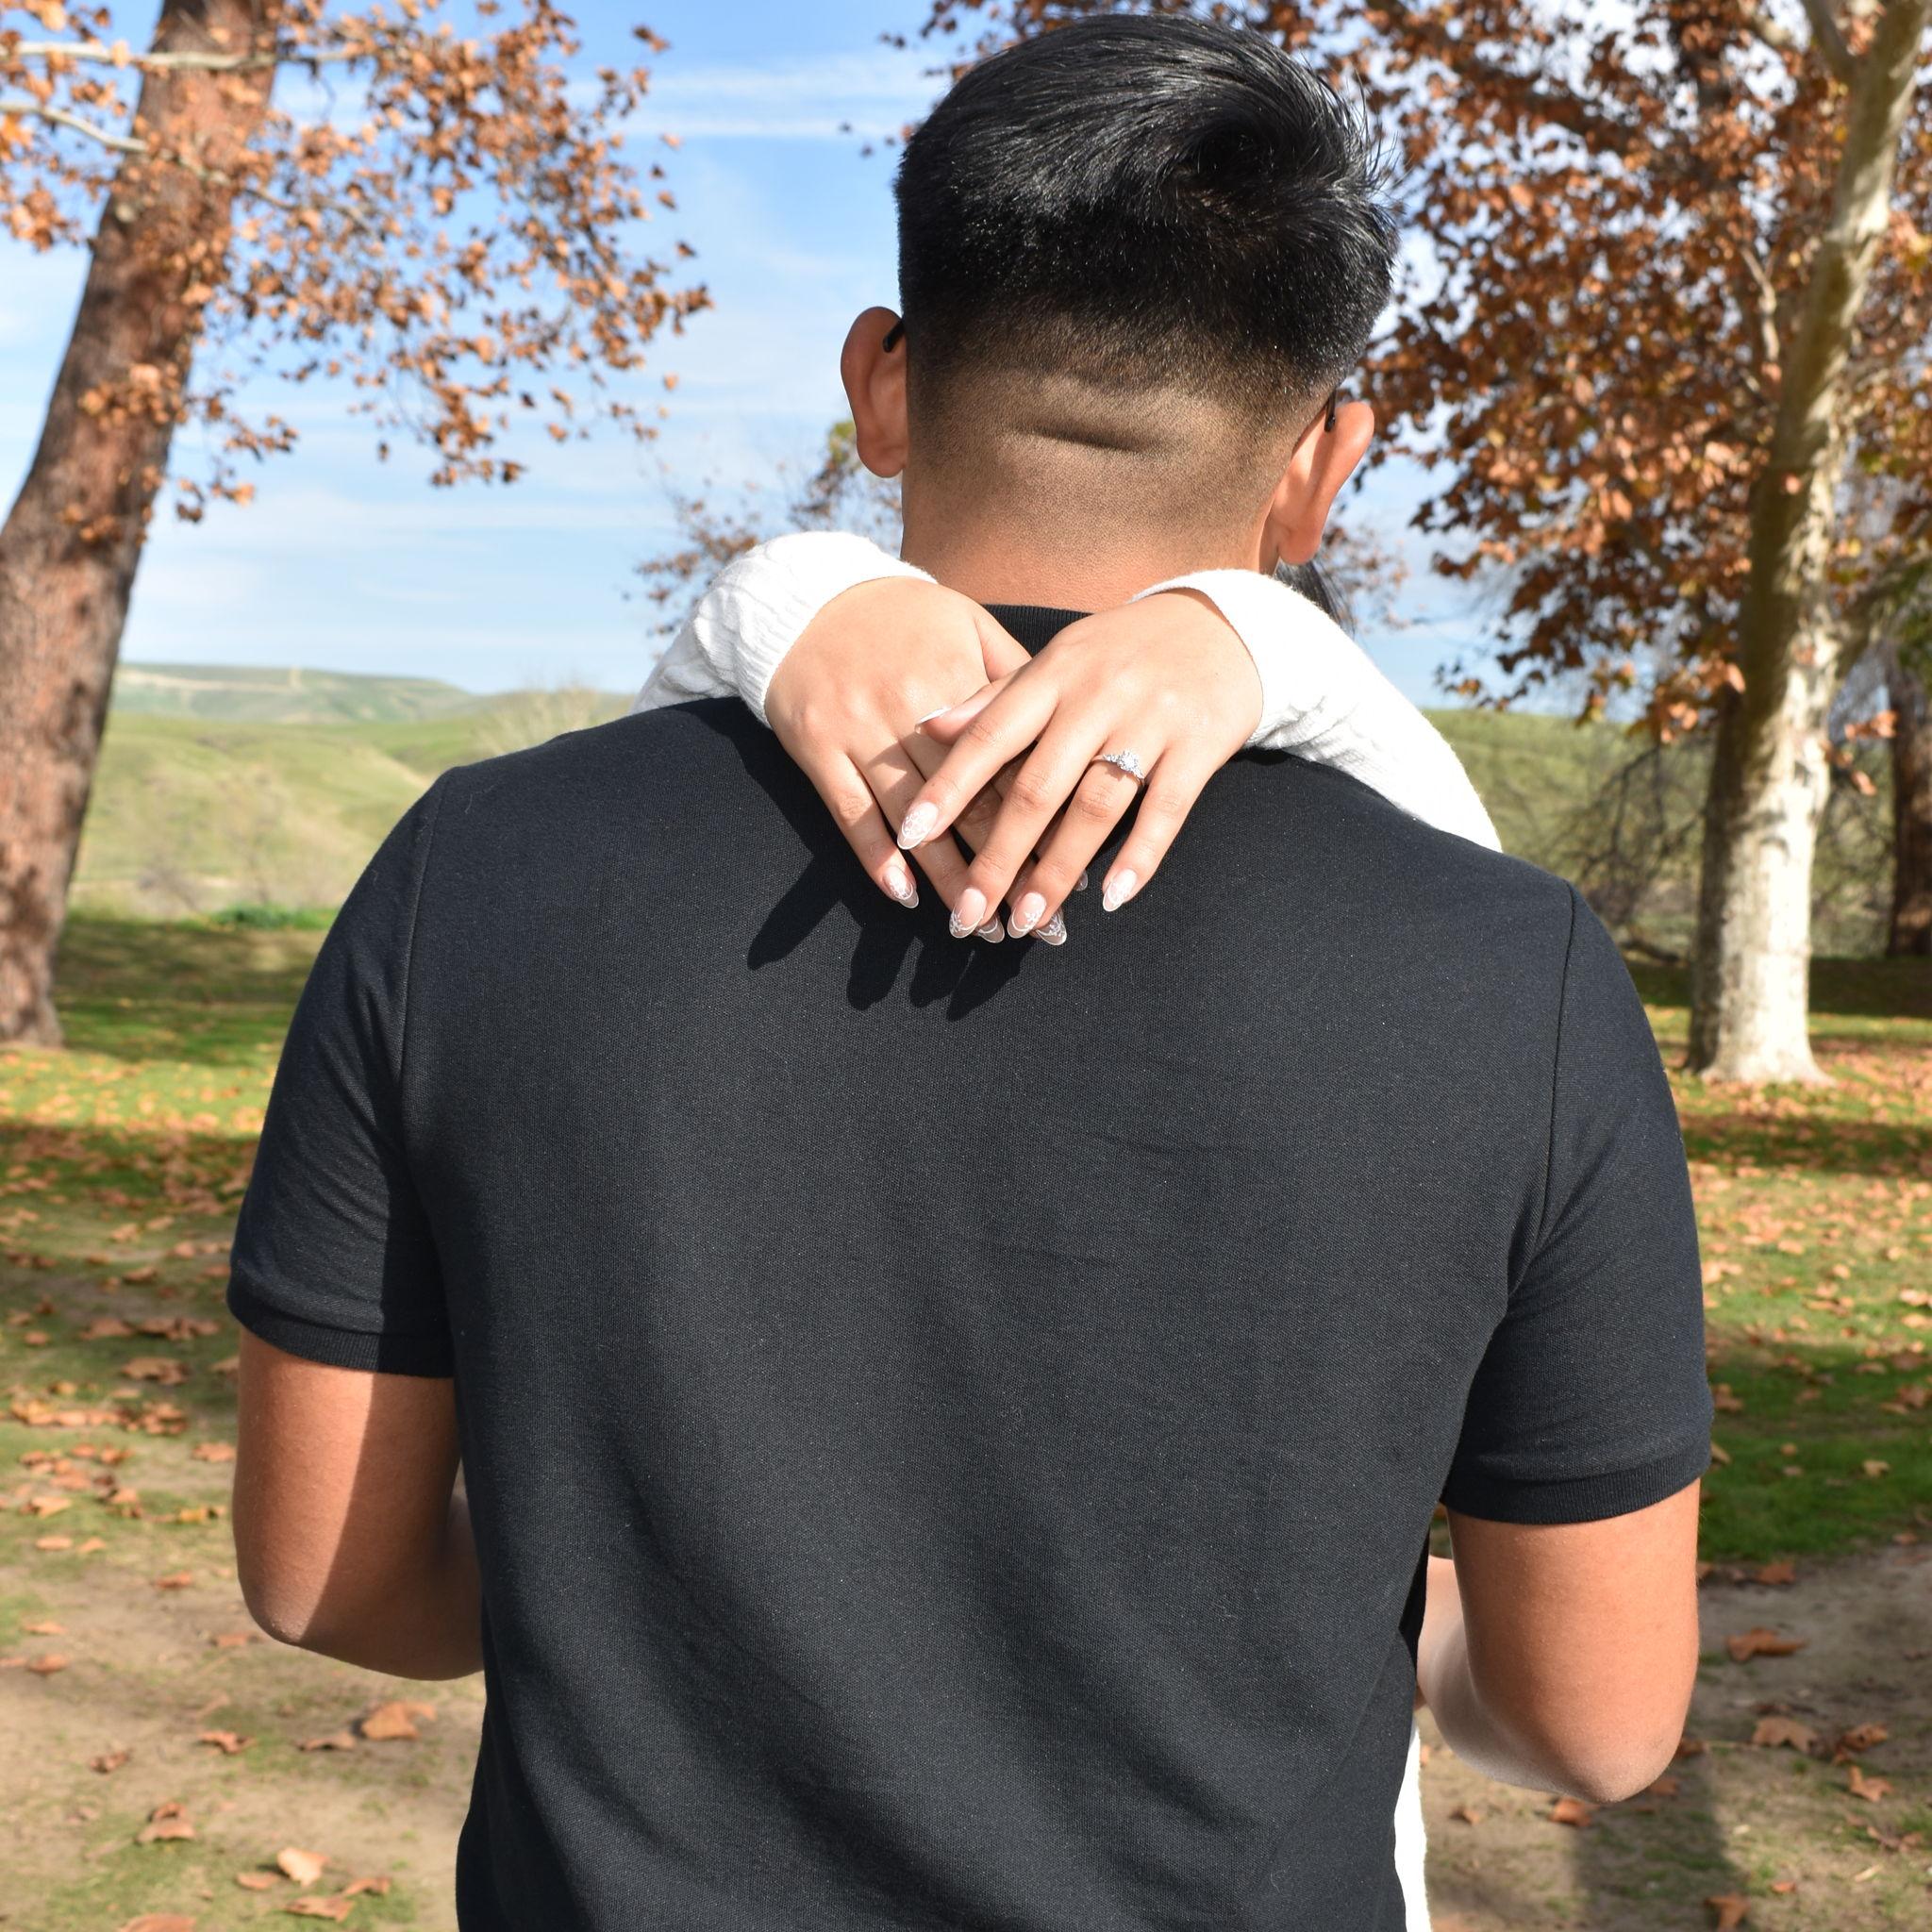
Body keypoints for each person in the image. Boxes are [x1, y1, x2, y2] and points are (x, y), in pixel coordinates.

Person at [226, 18, 1712, 1931]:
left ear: (881, 379)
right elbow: (1596, 1718)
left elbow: (327, 1573)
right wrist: (1370, 1628)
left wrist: (640, 1603)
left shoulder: (475, 873)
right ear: (1322, 464)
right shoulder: (1517, 973)